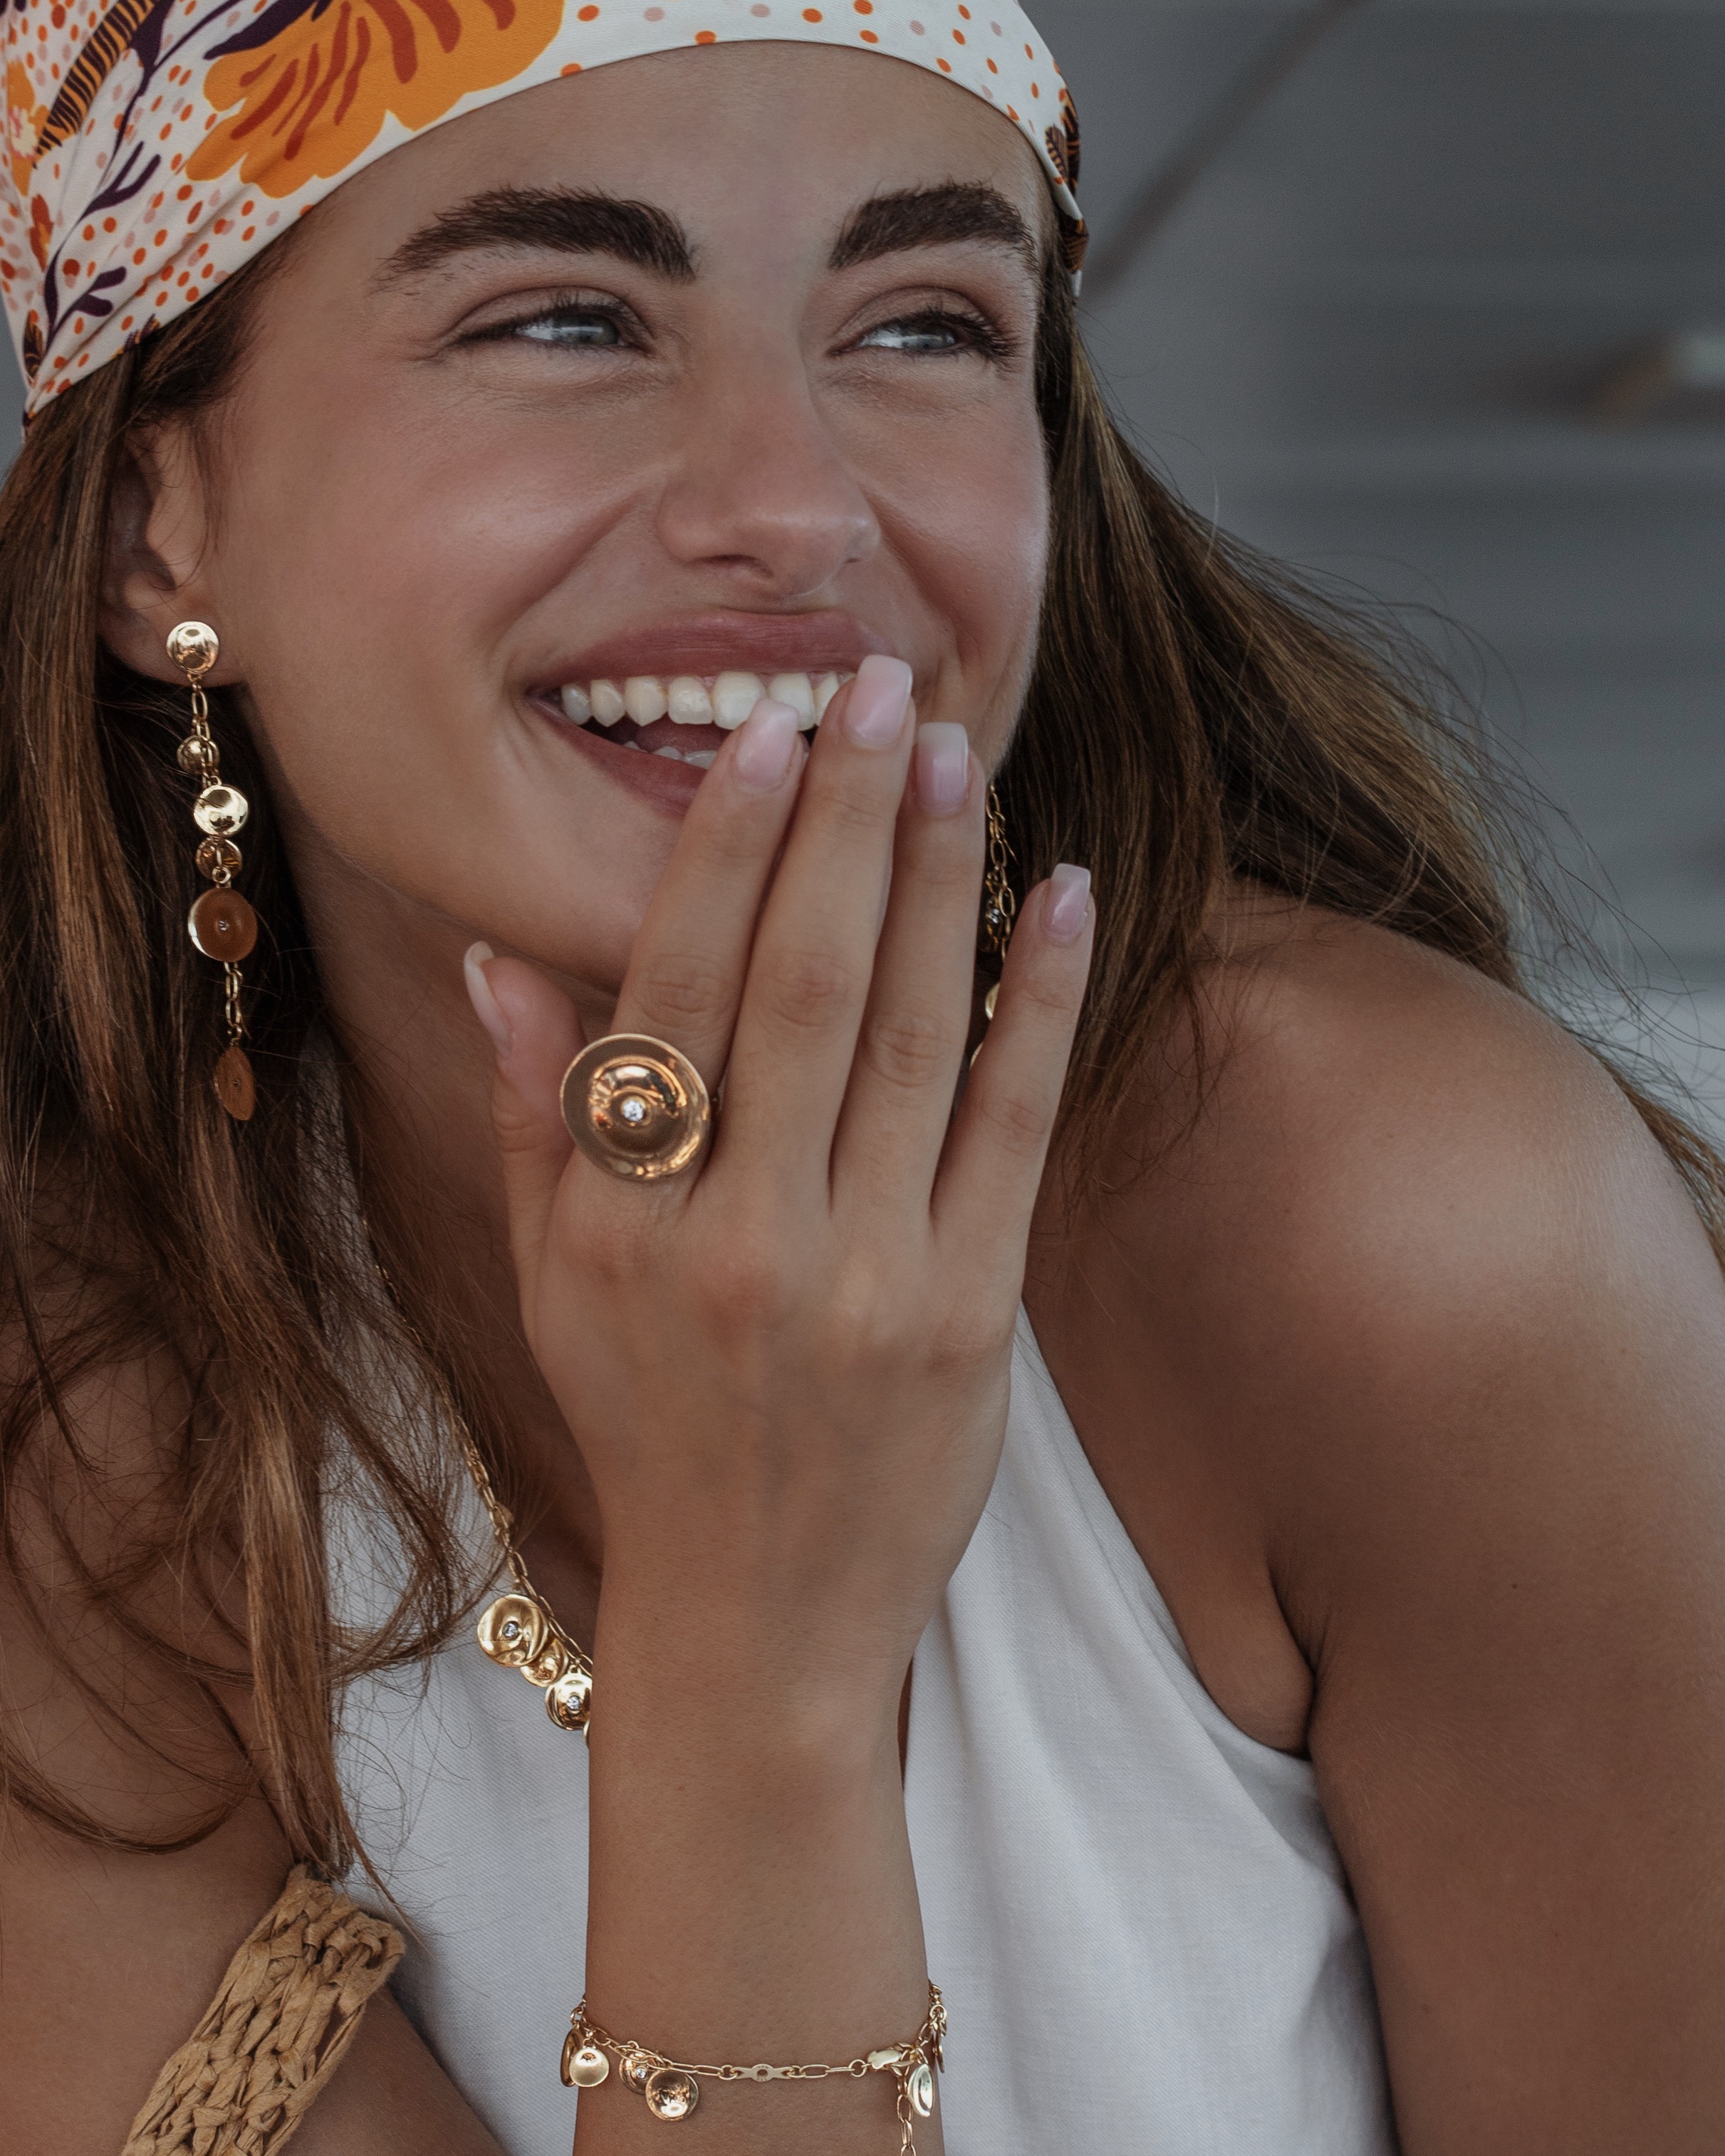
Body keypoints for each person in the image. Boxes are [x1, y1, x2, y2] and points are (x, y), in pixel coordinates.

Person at [1, 4, 1721, 2152]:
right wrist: (757, 1676)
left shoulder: (1396, 1223)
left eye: (924, 326)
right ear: (156, 530)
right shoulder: (61, 1452)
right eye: (564, 320)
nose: (795, 509)